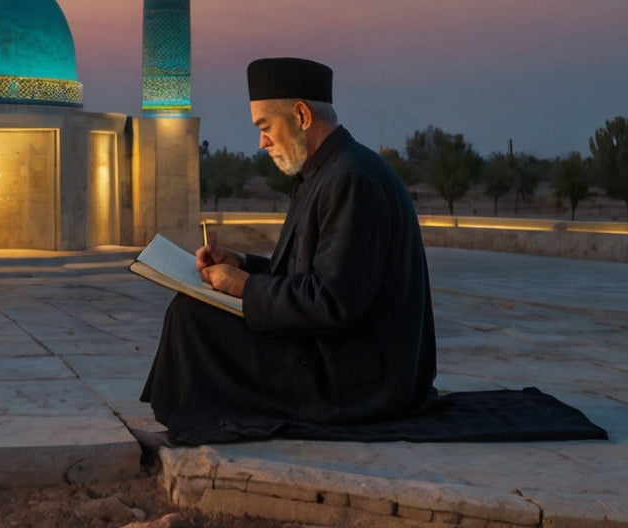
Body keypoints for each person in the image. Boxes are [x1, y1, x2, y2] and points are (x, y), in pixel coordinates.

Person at [140, 57, 436, 445]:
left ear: (301, 115)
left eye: (265, 127)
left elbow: (332, 302)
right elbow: (309, 274)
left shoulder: (350, 179)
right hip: (344, 358)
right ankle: (190, 417)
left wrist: (245, 287)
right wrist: (241, 264)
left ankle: (192, 421)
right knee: (195, 309)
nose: (261, 142)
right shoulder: (324, 172)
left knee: (195, 319)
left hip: (357, 381)